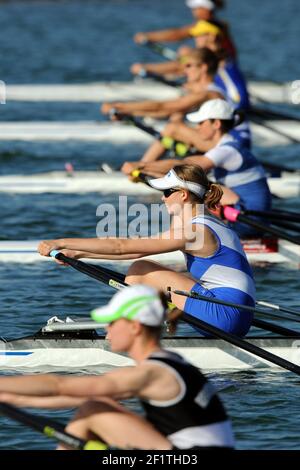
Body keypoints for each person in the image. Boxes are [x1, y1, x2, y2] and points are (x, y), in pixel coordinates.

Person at [0, 285, 235, 450]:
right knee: (94, 406)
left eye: (113, 322)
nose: (107, 330)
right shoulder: (169, 360)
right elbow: (71, 397)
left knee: (93, 411)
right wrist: (11, 398)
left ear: (135, 327)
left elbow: (60, 385)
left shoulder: (152, 373)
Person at [37, 164, 256, 337]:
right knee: (143, 269)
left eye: (167, 192)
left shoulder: (194, 232)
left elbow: (124, 247)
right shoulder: (211, 223)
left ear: (183, 194)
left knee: (140, 271)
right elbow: (130, 251)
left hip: (225, 316)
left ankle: (131, 335)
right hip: (239, 316)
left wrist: (61, 242)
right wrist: (80, 254)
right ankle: (151, 325)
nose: (162, 197)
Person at [121, 100, 271, 236]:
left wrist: (141, 165)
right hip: (246, 216)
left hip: (249, 221)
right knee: (191, 186)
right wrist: (146, 173)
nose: (197, 128)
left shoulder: (227, 151)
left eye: (201, 123)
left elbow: (185, 166)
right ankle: (174, 237)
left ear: (216, 124)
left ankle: (173, 239)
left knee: (187, 193)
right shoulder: (226, 146)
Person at [102, 48, 223, 120]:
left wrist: (120, 106)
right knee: (176, 117)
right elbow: (164, 112)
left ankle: (142, 164)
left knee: (174, 128)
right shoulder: (202, 93)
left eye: (188, 66)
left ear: (203, 67)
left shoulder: (209, 93)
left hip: (229, 146)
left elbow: (163, 106)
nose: (185, 70)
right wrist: (128, 113)